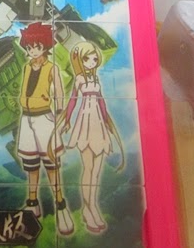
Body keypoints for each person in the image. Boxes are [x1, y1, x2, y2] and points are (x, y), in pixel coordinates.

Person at [17, 22, 74, 236]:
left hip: (44, 118)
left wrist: (60, 114)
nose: (33, 50)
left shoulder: (52, 68)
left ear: (45, 46)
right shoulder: (26, 67)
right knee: (31, 164)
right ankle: (32, 203)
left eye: (37, 46)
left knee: (51, 165)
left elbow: (59, 92)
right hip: (26, 119)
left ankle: (61, 206)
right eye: (29, 47)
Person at [62, 41, 124, 233]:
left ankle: (92, 207)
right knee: (88, 169)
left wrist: (108, 122)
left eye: (94, 58)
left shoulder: (96, 79)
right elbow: (72, 101)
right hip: (85, 122)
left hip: (98, 123)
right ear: (80, 60)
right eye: (87, 58)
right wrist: (67, 120)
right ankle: (88, 209)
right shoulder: (79, 79)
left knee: (96, 171)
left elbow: (102, 102)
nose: (91, 61)